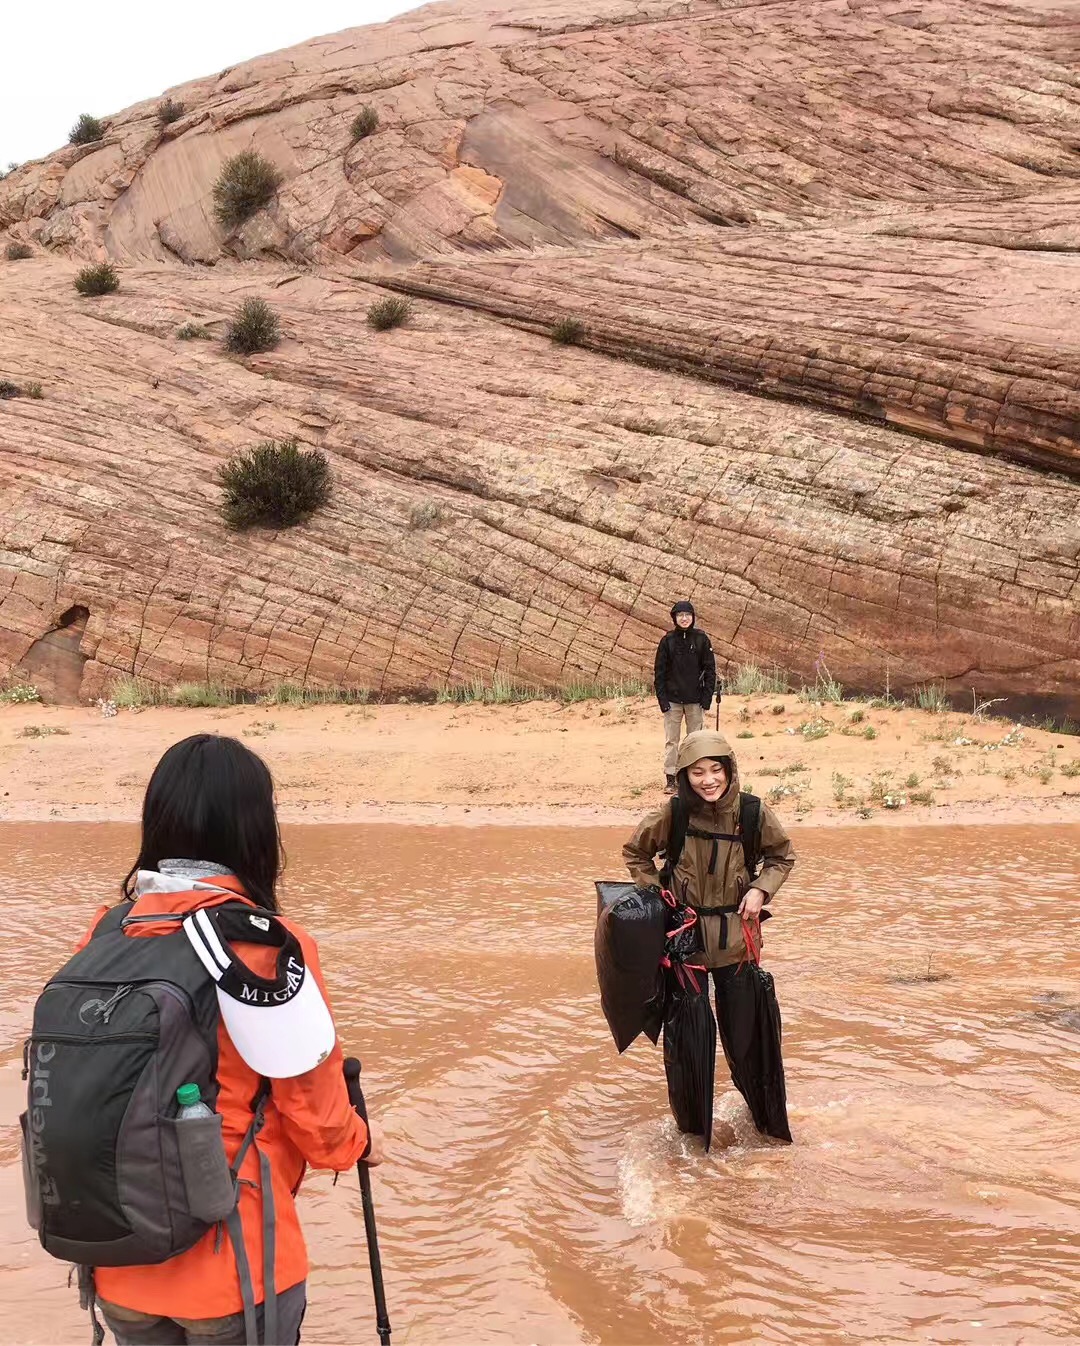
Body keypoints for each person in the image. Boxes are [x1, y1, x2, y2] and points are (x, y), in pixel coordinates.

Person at [78, 734, 385, 1346]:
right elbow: (316, 1115)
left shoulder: (110, 929)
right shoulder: (265, 945)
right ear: (254, 828)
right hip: (235, 1266)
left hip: (117, 1263)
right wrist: (361, 1142)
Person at [621, 729, 795, 1132]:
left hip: (737, 941)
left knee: (750, 1039)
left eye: (716, 769)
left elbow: (782, 857)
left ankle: (768, 1129)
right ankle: (693, 1137)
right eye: (697, 772)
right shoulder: (674, 814)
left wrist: (759, 889)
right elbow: (635, 853)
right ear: (684, 776)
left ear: (730, 771)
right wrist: (659, 899)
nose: (708, 780)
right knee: (688, 1045)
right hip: (686, 946)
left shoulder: (752, 813)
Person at [654, 601, 718, 793]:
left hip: (695, 701)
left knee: (695, 741)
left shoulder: (701, 639)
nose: (684, 618)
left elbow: (710, 671)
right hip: (672, 701)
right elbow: (659, 672)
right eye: (680, 615)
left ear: (693, 617)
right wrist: (663, 701)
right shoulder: (668, 641)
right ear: (674, 618)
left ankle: (692, 778)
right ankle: (671, 778)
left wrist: (706, 699)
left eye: (687, 615)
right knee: (672, 741)